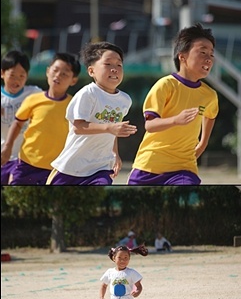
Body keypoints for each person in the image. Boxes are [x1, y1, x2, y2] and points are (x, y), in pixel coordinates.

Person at [128, 23, 219, 185]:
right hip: (149, 165)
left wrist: (203, 143)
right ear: (182, 56)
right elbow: (150, 125)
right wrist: (176, 120)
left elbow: (210, 115)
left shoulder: (209, 95)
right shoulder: (165, 85)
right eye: (203, 52)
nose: (208, 59)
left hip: (184, 168)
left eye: (211, 54)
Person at [47, 41, 137, 185]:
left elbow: (112, 129)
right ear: (91, 71)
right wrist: (109, 128)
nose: (114, 69)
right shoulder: (87, 94)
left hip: (100, 167)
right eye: (108, 64)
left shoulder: (125, 100)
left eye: (119, 65)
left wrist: (115, 154)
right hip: (71, 167)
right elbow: (78, 127)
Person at [1, 52, 80, 184]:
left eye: (64, 74)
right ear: (48, 71)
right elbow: (18, 123)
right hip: (27, 162)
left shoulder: (75, 105)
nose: (58, 76)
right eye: (55, 70)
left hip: (55, 167)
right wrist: (8, 146)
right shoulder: (33, 99)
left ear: (73, 80)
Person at [1, 50, 42, 184]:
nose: (17, 80)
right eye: (12, 75)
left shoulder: (34, 93)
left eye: (21, 76)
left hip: (23, 158)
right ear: (2, 73)